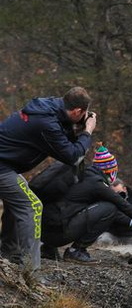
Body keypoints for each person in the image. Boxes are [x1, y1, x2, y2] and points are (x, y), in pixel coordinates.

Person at [0, 86, 96, 271]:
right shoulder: (47, 123)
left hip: (6, 166)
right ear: (77, 111)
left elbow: (65, 140)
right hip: (3, 167)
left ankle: (8, 253)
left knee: (19, 198)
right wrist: (87, 131)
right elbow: (73, 157)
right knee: (32, 206)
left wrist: (77, 127)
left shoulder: (49, 108)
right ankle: (31, 271)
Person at [38, 145, 132, 264]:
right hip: (58, 233)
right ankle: (76, 251)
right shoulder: (97, 185)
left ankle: (48, 249)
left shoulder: (81, 174)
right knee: (110, 207)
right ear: (111, 171)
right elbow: (124, 206)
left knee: (79, 207)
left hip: (44, 232)